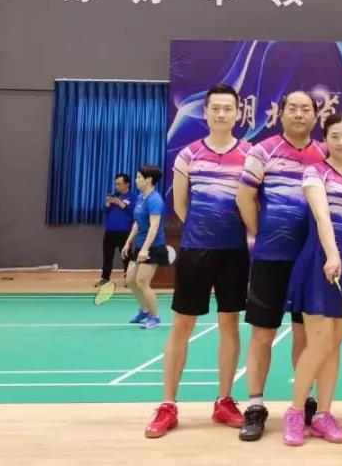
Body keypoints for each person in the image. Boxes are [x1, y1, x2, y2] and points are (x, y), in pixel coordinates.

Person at [145, 83, 253, 439]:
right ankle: (168, 405)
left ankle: (224, 400)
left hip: (234, 252)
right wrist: (202, 232)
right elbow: (181, 205)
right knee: (182, 325)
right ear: (205, 113)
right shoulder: (189, 154)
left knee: (230, 324)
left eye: (228, 108)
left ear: (238, 113)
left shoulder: (249, 154)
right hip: (196, 251)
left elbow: (252, 201)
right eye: (215, 108)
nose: (221, 113)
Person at [236, 90, 327, 441]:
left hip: (311, 260)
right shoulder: (262, 151)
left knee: (305, 334)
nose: (299, 114)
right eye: (293, 108)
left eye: (306, 109)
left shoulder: (324, 154)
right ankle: (255, 406)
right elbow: (244, 196)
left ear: (315, 116)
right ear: (282, 114)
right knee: (263, 333)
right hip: (271, 258)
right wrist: (261, 234)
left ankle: (303, 402)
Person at [282, 112, 342, 447]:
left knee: (334, 343)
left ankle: (324, 415)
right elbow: (322, 217)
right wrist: (333, 255)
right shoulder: (315, 172)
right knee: (318, 342)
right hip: (321, 260)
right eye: (335, 136)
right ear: (326, 140)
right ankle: (295, 412)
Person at [122, 165, 170, 329]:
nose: (136, 180)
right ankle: (144, 310)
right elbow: (137, 222)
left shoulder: (155, 200)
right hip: (140, 245)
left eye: (138, 177)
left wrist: (145, 249)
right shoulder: (141, 197)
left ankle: (154, 317)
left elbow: (154, 226)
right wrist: (128, 242)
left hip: (153, 246)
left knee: (142, 282)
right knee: (130, 281)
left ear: (149, 179)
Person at [98, 173, 134, 287]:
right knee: (107, 256)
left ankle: (129, 280)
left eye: (119, 184)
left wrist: (120, 203)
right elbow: (106, 211)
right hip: (110, 231)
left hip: (124, 232)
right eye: (116, 184)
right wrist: (107, 204)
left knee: (126, 257)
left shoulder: (133, 197)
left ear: (127, 184)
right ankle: (105, 278)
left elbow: (134, 212)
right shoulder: (113, 196)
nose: (116, 186)